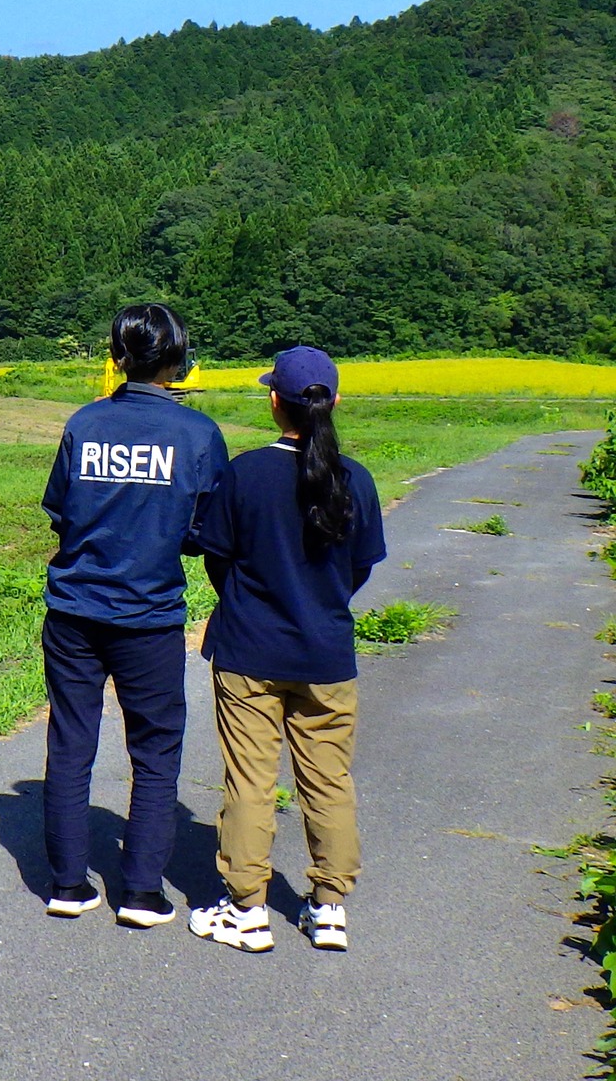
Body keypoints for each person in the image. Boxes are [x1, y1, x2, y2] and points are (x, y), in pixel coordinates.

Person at [189, 346, 386, 953]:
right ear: (335, 401)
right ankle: (329, 908)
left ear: (274, 400)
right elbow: (357, 569)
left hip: (249, 652)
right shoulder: (356, 479)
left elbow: (216, 558)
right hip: (326, 655)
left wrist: (250, 602)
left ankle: (246, 911)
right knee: (328, 781)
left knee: (250, 780)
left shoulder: (243, 474)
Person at [40, 304, 229, 927]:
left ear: (117, 356)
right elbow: (207, 532)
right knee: (154, 748)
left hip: (73, 610)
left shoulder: (84, 423)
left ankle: (68, 884)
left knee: (72, 740)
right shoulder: (198, 435)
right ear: (178, 358)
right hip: (148, 615)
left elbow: (62, 512)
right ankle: (142, 892)